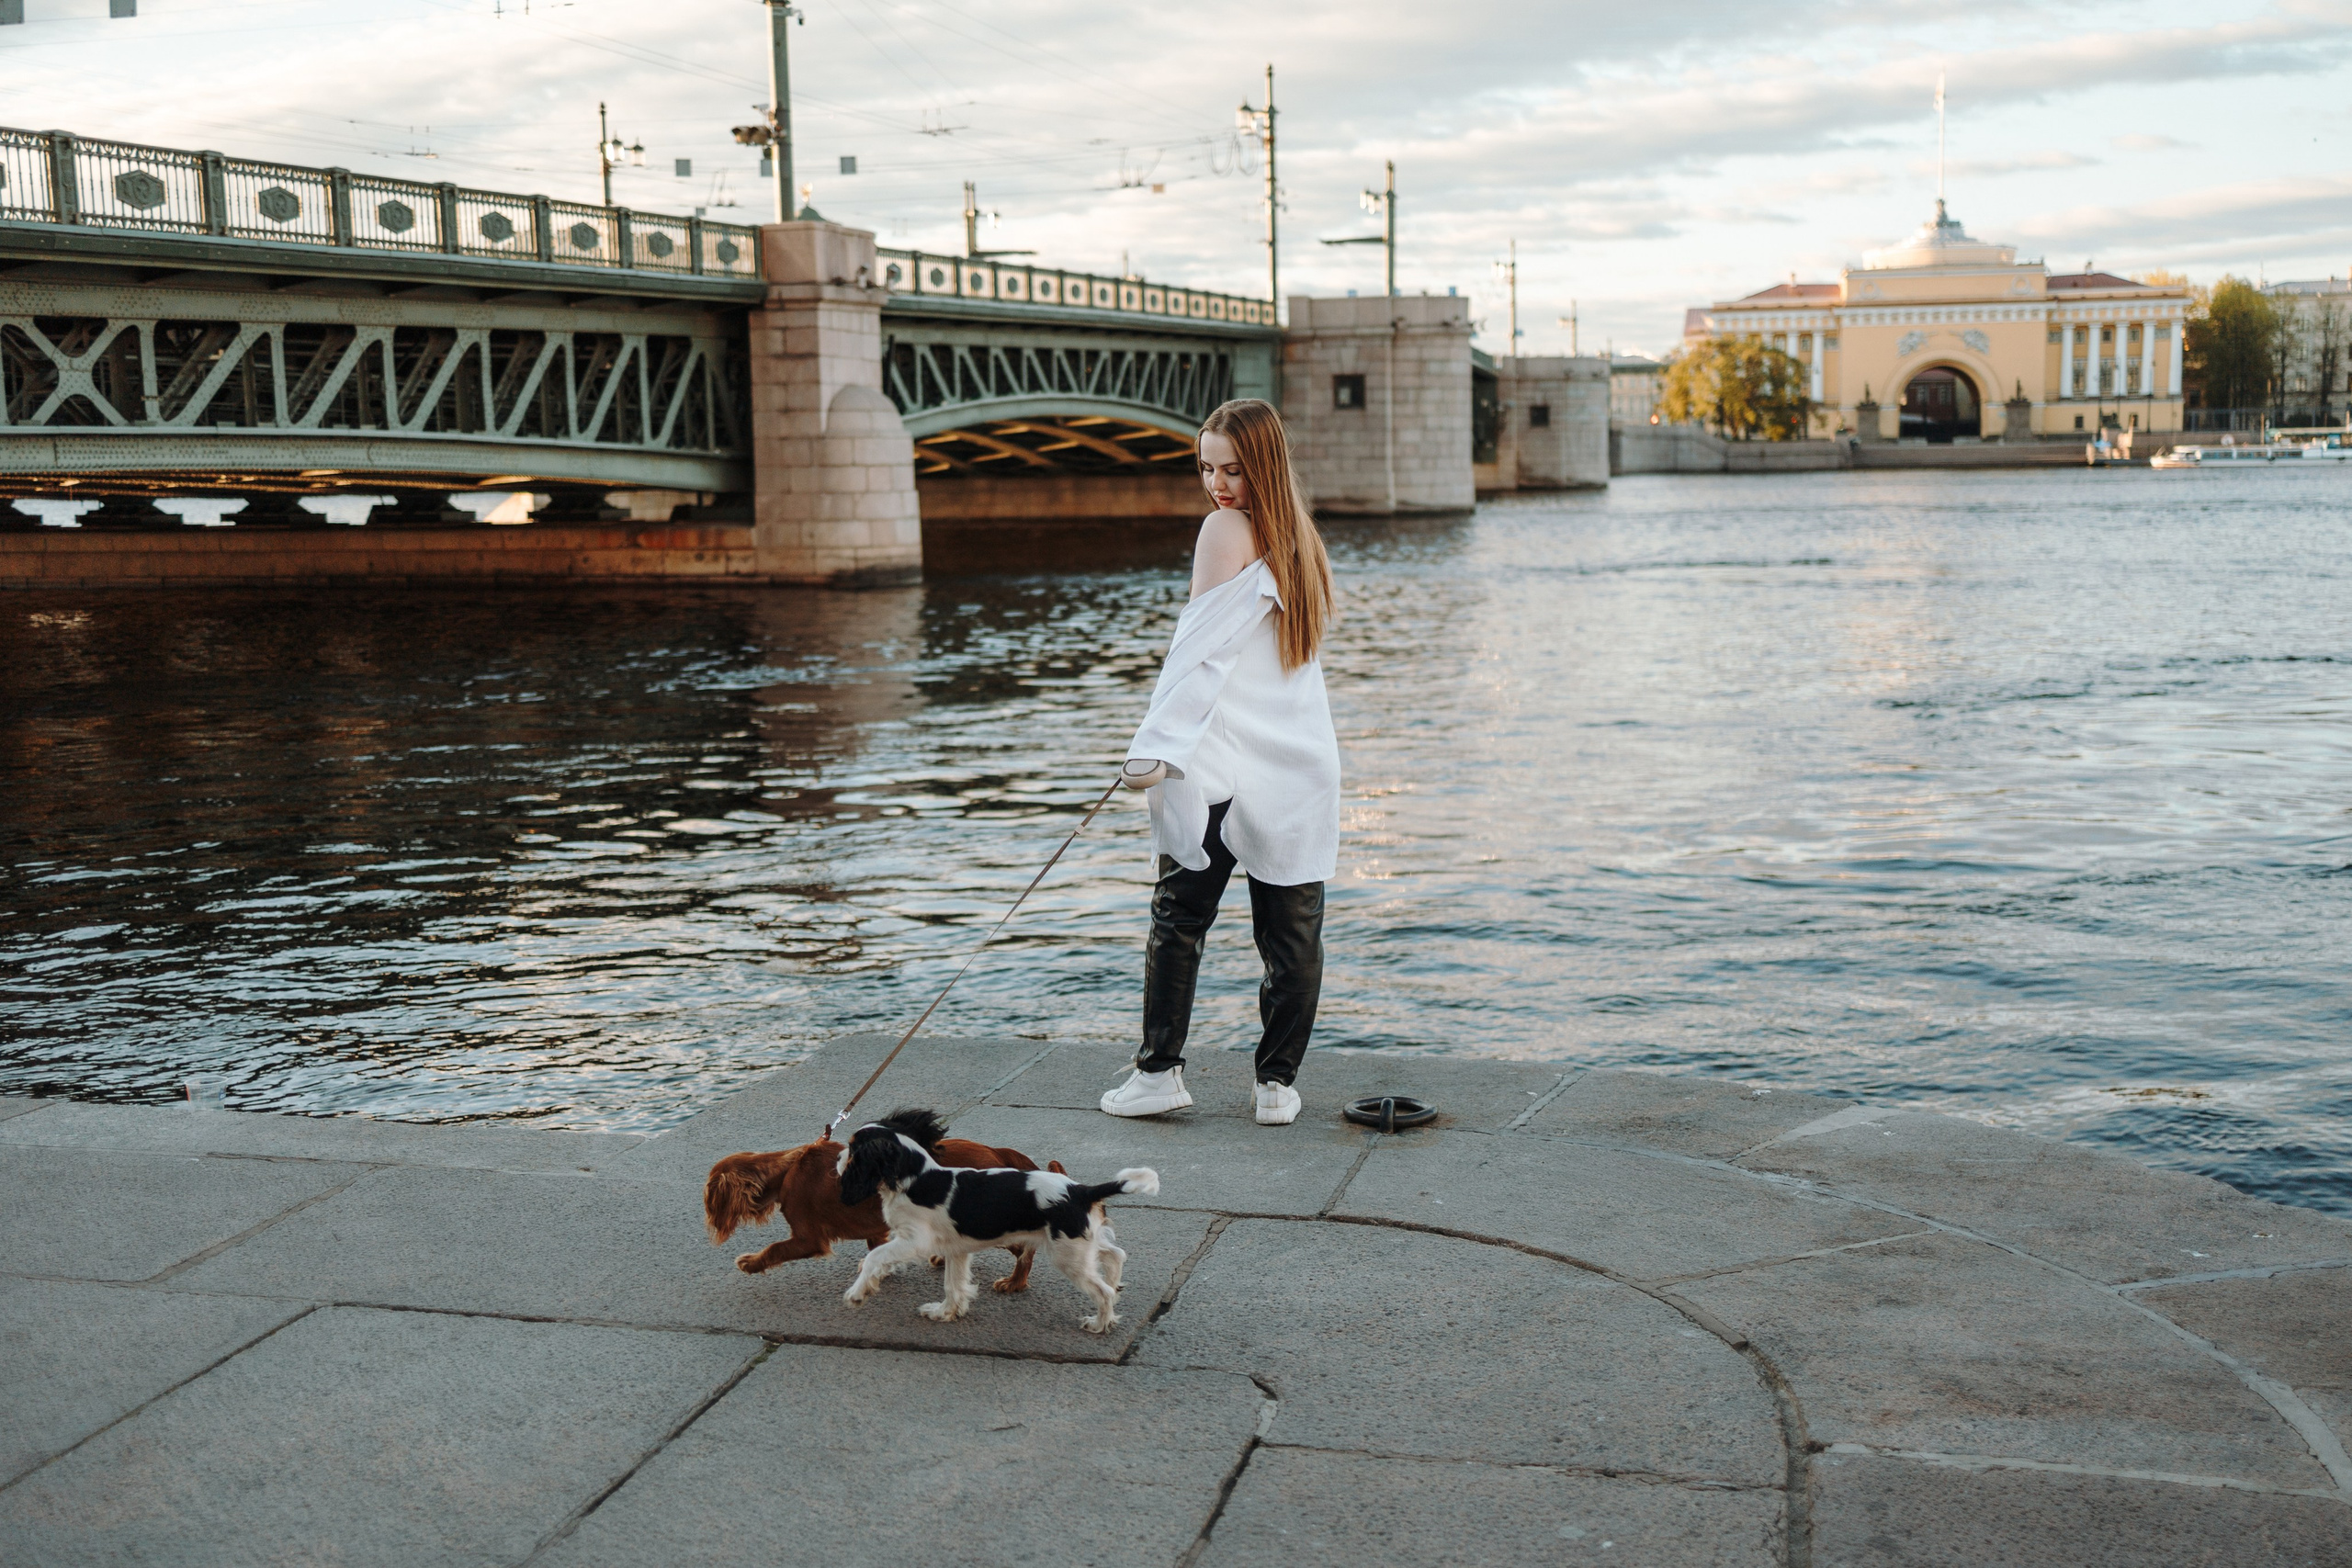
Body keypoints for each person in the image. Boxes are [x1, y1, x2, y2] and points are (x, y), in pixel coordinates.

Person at [1099, 398, 1340, 1127]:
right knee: (1291, 935)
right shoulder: (1301, 543)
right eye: (1206, 467)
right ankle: (1277, 1086)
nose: (1217, 484)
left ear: (1262, 465)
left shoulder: (1223, 530)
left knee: (1179, 917)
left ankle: (1160, 1072)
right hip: (1299, 759)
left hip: (1225, 755)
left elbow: (1195, 655)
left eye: (1232, 468)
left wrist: (1153, 746)